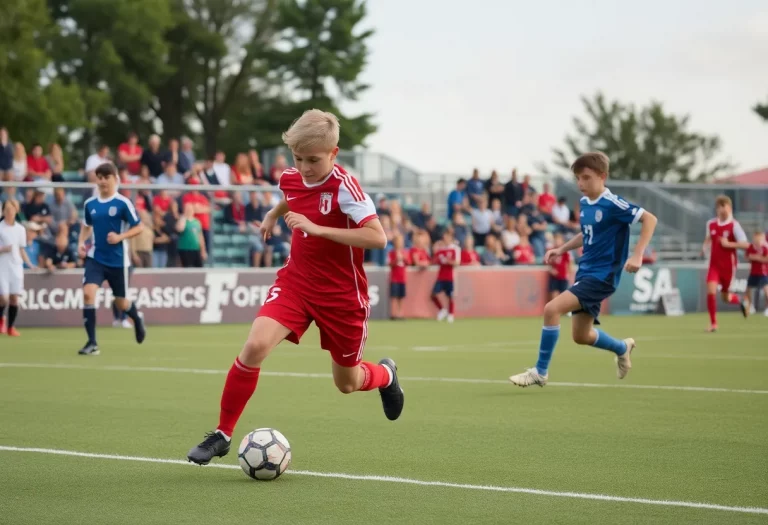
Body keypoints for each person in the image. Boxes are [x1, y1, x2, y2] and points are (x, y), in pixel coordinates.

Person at [187, 110, 404, 466]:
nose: (304, 167)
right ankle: (222, 434)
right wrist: (273, 215)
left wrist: (318, 229)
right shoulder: (291, 177)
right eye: (298, 158)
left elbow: (377, 237)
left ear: (334, 154)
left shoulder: (346, 187)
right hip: (297, 284)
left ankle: (386, 375)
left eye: (313, 160)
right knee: (255, 344)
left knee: (347, 383)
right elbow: (293, 193)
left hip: (342, 297)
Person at [509, 151, 657, 387]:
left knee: (551, 309)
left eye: (586, 177)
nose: (581, 183)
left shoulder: (613, 204)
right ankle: (622, 347)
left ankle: (540, 371)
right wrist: (562, 249)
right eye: (578, 178)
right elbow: (588, 233)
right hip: (586, 272)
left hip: (602, 276)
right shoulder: (585, 203)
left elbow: (650, 219)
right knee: (581, 336)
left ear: (602, 176)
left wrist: (638, 254)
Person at [77, 162, 147, 355]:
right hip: (96, 258)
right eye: (99, 177)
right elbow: (86, 225)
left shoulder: (123, 202)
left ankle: (137, 319)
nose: (103, 181)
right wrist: (81, 242)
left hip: (118, 261)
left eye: (106, 177)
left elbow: (139, 227)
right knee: (88, 294)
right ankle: (92, 343)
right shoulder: (90, 204)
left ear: (115, 179)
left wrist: (120, 237)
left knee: (121, 303)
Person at [700, 195, 750, 331]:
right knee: (710, 291)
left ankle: (741, 300)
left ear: (729, 208)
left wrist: (729, 244)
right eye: (719, 207)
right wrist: (704, 247)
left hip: (728, 266)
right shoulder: (711, 224)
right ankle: (713, 323)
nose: (721, 209)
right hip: (714, 265)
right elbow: (709, 237)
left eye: (724, 206)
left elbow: (746, 244)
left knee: (726, 297)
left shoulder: (734, 225)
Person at [0, 200, 36, 336]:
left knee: (14, 297)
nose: (10, 212)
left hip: (16, 266)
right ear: (3, 212)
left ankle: (11, 327)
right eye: (7, 209)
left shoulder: (20, 229)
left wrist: (30, 264)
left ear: (16, 211)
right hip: (2, 266)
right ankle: (1, 320)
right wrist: (3, 249)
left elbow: (21, 249)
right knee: (3, 298)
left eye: (12, 209)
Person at [430, 229, 460, 322]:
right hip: (441, 276)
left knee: (450, 296)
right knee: (433, 294)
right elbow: (434, 260)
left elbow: (457, 262)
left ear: (451, 238)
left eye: (447, 237)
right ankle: (442, 310)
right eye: (444, 237)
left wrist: (448, 261)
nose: (445, 239)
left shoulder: (455, 249)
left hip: (450, 276)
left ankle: (451, 314)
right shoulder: (441, 249)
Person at [743, 231, 768, 318]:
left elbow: (766, 259)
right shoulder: (751, 247)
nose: (757, 241)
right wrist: (751, 257)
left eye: (759, 239)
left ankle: (767, 308)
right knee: (748, 290)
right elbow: (746, 257)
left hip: (763, 273)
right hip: (753, 273)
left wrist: (757, 258)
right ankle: (750, 306)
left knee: (766, 291)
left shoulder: (765, 248)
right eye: (756, 239)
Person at [388, 234, 411, 320]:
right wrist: (396, 260)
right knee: (394, 296)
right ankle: (393, 313)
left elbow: (409, 262)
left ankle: (400, 313)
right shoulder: (391, 253)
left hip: (402, 278)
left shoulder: (405, 252)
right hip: (394, 278)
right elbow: (390, 264)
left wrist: (403, 258)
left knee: (401, 297)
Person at [547, 232, 572, 300]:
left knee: (563, 294)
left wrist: (568, 274)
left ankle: (564, 310)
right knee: (553, 293)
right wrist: (551, 270)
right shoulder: (551, 251)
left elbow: (569, 263)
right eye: (555, 240)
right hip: (554, 277)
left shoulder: (565, 252)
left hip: (563, 277)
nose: (557, 242)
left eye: (558, 240)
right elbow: (547, 263)